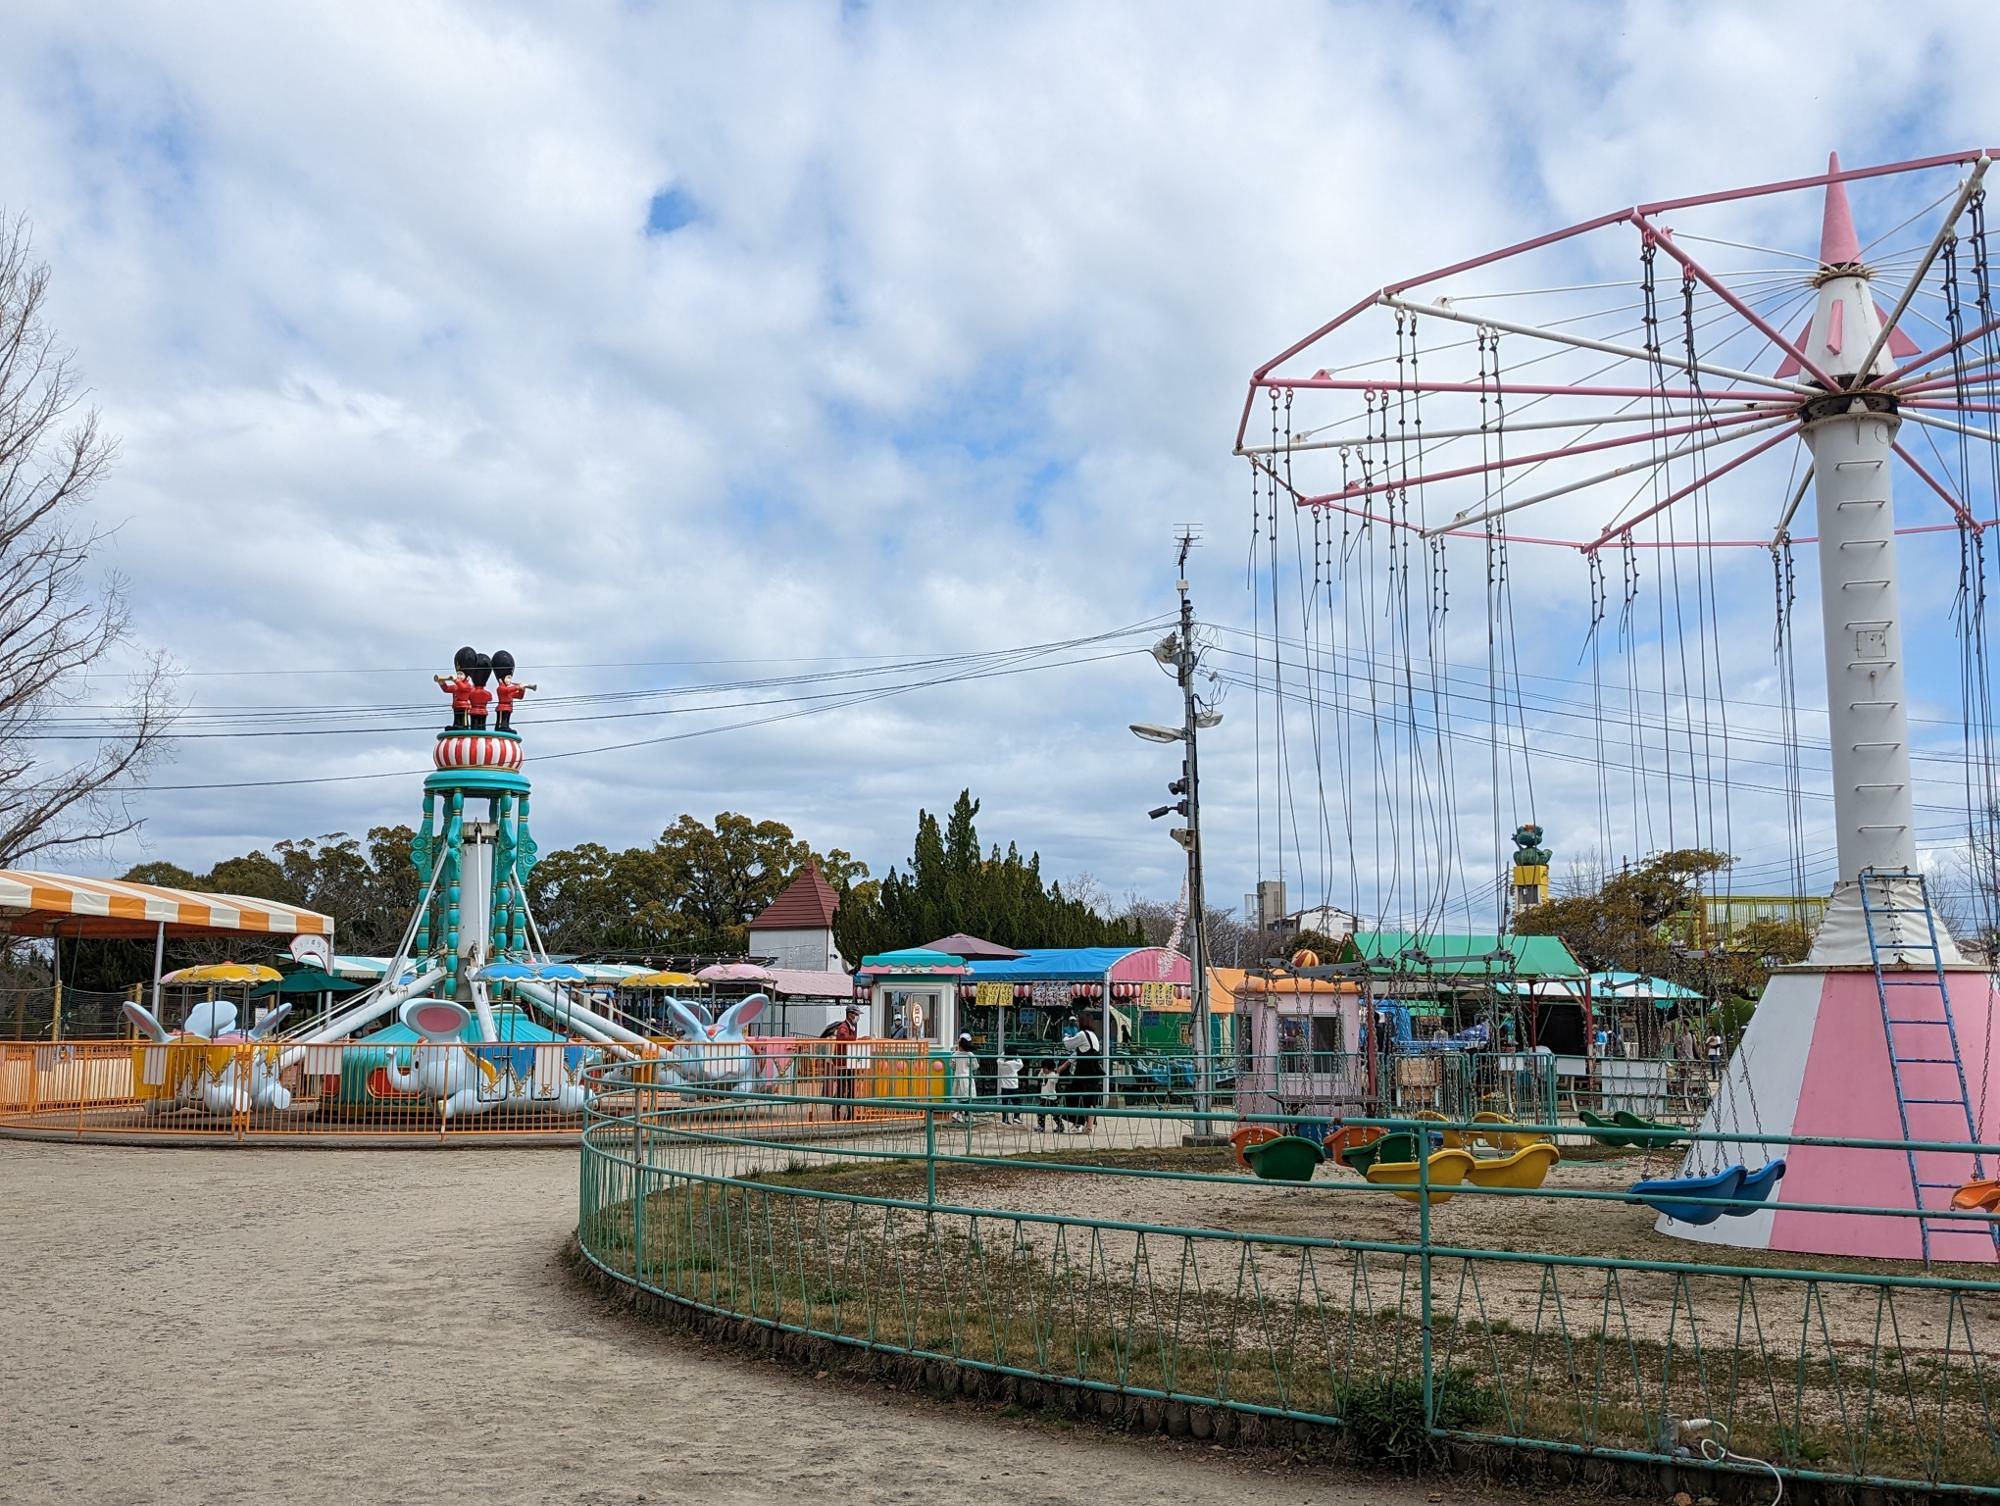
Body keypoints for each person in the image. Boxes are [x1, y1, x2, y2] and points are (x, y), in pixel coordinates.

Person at [1062, 1013, 1104, 1132]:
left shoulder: (1082, 1034)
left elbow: (1068, 1044)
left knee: (1071, 1095)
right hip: (1094, 1072)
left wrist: (1066, 1036)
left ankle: (1078, 1122)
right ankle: (1089, 1126)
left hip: (1083, 1071)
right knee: (1090, 1099)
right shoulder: (1093, 1036)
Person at [829, 1004, 861, 1120]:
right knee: (841, 1089)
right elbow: (844, 1039)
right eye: (856, 1014)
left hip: (850, 1062)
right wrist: (857, 1040)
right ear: (850, 1014)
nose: (857, 1017)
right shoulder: (843, 1027)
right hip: (842, 1063)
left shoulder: (852, 1027)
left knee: (851, 1088)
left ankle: (850, 1114)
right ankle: (835, 1112)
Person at [1035, 1058, 1064, 1133]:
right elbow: (1038, 1078)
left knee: (1055, 1114)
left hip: (1051, 1098)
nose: (1043, 1069)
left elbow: (1055, 1080)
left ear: (1050, 1068)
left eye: (1044, 1068)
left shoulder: (1052, 1075)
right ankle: (1041, 1126)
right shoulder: (1044, 1074)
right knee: (1040, 1112)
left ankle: (1060, 1126)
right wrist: (1041, 1072)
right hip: (1043, 1097)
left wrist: (1057, 1073)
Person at [996, 1052, 1025, 1125]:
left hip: (1004, 1086)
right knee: (1017, 1102)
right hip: (1013, 1086)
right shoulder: (1014, 1063)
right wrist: (1017, 1055)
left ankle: (1004, 1119)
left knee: (1004, 1103)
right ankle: (1016, 1116)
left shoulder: (1001, 1063)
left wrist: (1004, 1053)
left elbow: (998, 1059)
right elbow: (1021, 1064)